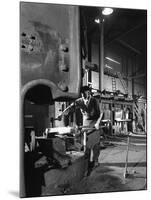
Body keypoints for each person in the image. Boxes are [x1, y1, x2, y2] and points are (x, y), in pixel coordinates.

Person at [58, 85, 103, 175]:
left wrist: (98, 123)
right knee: (86, 144)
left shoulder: (94, 101)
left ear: (88, 92)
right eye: (81, 94)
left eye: (84, 94)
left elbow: (101, 113)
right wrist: (61, 114)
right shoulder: (80, 101)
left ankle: (96, 161)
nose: (83, 96)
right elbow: (71, 107)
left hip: (95, 123)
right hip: (86, 123)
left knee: (95, 144)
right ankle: (86, 163)